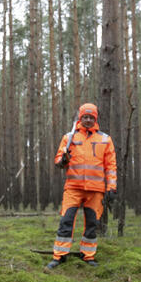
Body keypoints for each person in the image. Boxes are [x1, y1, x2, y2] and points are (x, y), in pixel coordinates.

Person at [45, 103, 117, 270]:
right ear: (80, 118)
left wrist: (111, 188)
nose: (88, 120)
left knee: (92, 223)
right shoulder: (69, 137)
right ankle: (60, 256)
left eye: (91, 117)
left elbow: (111, 166)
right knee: (66, 221)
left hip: (96, 190)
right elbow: (58, 161)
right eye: (85, 116)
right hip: (73, 187)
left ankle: (88, 255)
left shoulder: (105, 139)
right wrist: (63, 160)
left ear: (95, 119)